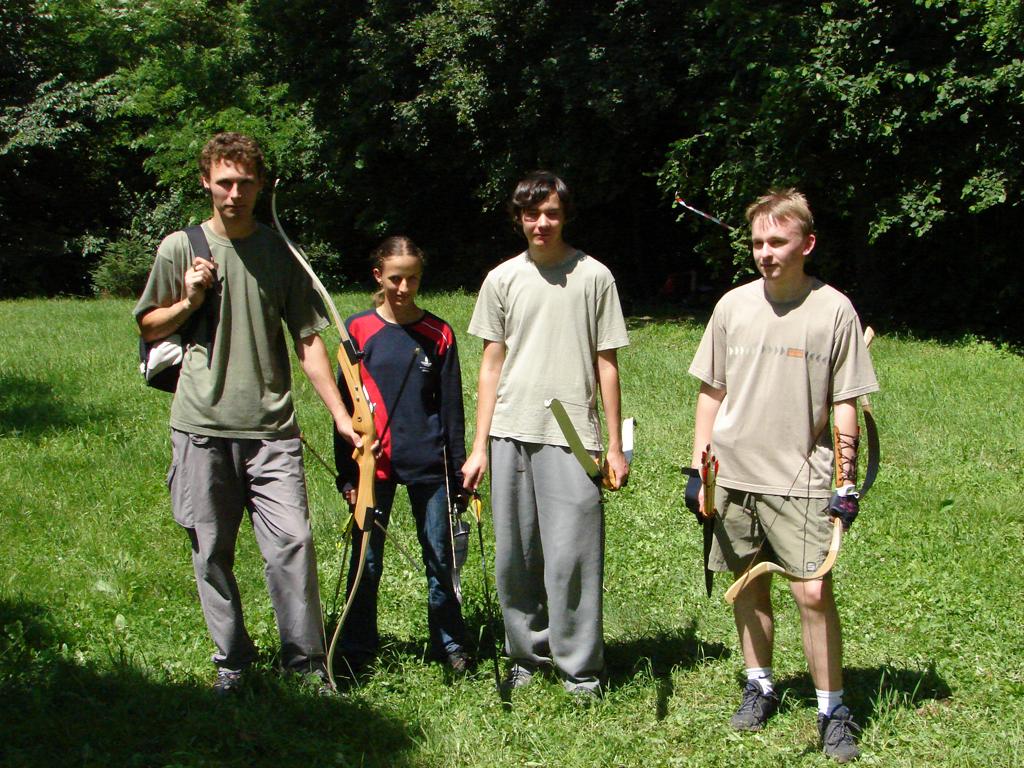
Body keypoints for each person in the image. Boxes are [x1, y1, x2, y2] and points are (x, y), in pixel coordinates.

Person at [134, 132, 358, 694]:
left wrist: (340, 414)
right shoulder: (180, 248)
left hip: (272, 430)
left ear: (261, 187)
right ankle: (231, 661)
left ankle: (304, 664)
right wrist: (190, 300)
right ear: (206, 182)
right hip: (200, 427)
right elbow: (148, 325)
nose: (234, 193)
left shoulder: (280, 252)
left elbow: (308, 339)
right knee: (211, 551)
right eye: (224, 182)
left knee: (293, 543)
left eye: (245, 183)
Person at [685, 188, 878, 761]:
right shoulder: (733, 306)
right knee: (747, 587)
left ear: (807, 243)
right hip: (734, 474)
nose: (765, 253)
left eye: (777, 241)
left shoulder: (834, 310)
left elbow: (846, 403)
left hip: (804, 479)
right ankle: (760, 685)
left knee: (812, 592)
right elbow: (711, 393)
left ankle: (832, 709)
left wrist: (846, 479)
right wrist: (699, 469)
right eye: (757, 243)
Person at [461, 171, 629, 700]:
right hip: (510, 429)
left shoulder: (594, 276)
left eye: (551, 213)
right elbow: (491, 364)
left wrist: (614, 445)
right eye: (532, 214)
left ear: (565, 216)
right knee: (517, 556)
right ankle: (526, 655)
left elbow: (607, 363)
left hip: (573, 436)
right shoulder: (501, 279)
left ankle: (580, 669)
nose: (541, 223)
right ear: (518, 218)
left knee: (574, 556)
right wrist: (479, 445)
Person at [333, 236, 470, 674]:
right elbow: (346, 407)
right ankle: (356, 648)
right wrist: (347, 475)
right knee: (366, 562)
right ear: (378, 276)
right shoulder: (357, 330)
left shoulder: (439, 333)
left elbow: (451, 409)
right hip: (373, 466)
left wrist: (458, 474)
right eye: (395, 279)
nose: (404, 288)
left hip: (430, 465)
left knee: (440, 558)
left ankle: (450, 645)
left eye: (412, 278)